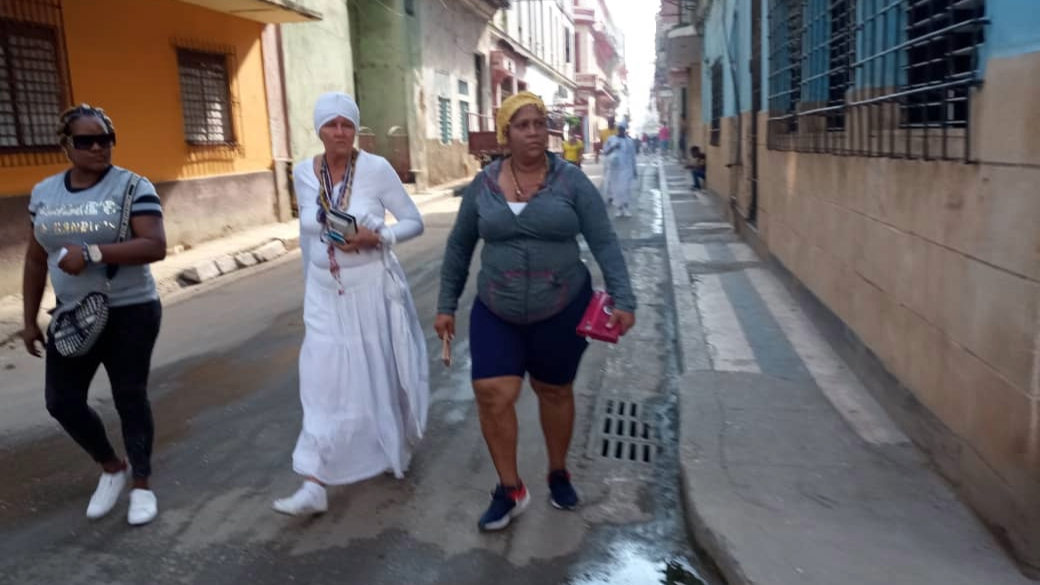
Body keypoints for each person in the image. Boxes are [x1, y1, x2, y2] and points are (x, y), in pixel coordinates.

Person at [434, 92, 636, 532]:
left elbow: (603, 239)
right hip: (496, 307)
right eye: (523, 125)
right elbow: (459, 247)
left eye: (539, 124)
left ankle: (558, 471)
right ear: (505, 134)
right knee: (492, 391)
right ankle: (510, 489)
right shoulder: (484, 185)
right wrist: (446, 305)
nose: (533, 132)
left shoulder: (571, 181)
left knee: (554, 391)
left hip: (560, 306)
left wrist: (624, 297)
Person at [273, 92, 429, 516]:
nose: (339, 132)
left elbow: (415, 221)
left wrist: (379, 236)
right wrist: (332, 224)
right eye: (331, 124)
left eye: (347, 124)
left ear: (355, 129)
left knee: (374, 373)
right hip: (325, 291)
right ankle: (314, 481)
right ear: (319, 129)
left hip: (371, 289)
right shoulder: (306, 172)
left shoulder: (376, 169)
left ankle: (389, 446)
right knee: (321, 381)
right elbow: (306, 219)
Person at [21, 104, 167, 525]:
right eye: (87, 140)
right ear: (66, 144)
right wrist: (29, 319)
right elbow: (35, 259)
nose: (99, 147)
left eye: (106, 138)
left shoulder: (131, 187)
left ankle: (141, 484)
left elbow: (154, 244)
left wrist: (92, 253)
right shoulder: (44, 193)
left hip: (130, 310)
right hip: (72, 314)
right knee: (61, 401)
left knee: (129, 395)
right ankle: (111, 467)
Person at [601, 122, 639, 218]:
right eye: (619, 128)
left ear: (625, 129)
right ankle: (619, 209)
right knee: (616, 189)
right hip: (614, 169)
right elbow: (605, 152)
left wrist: (634, 169)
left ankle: (626, 208)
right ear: (618, 129)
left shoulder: (630, 142)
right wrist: (613, 147)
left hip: (627, 168)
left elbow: (633, 156)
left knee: (625, 188)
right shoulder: (611, 139)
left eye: (623, 128)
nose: (621, 130)